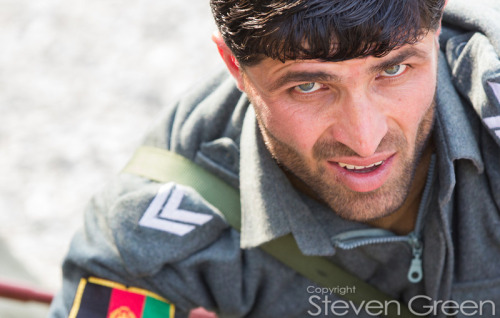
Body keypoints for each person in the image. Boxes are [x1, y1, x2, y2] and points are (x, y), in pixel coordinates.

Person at [49, 0, 500, 317]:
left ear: (437, 21)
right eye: (307, 86)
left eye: (394, 69)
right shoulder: (154, 235)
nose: (366, 139)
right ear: (235, 67)